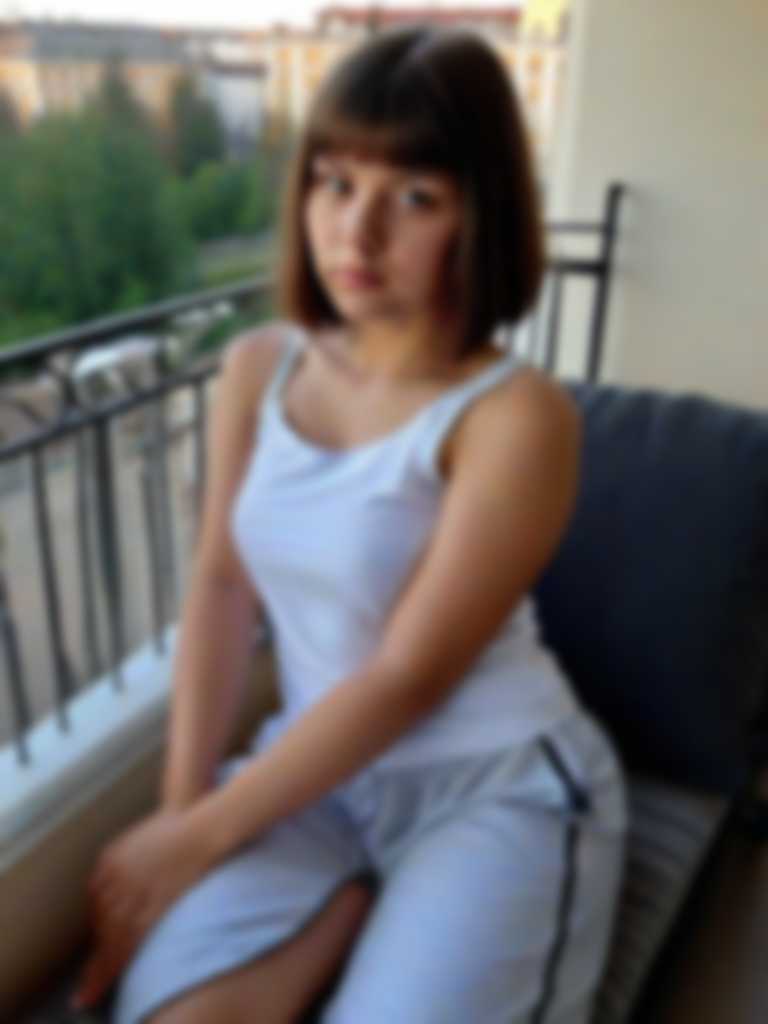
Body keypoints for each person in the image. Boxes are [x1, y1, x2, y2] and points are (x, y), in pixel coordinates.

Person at [73, 25, 627, 1024]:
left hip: (490, 783)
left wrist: (198, 841)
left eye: (414, 197)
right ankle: (349, 908)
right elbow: (221, 585)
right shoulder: (259, 367)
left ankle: (377, 913)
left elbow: (408, 674)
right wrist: (180, 810)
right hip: (317, 777)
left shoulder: (516, 416)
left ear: (480, 215)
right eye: (334, 183)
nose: (355, 234)